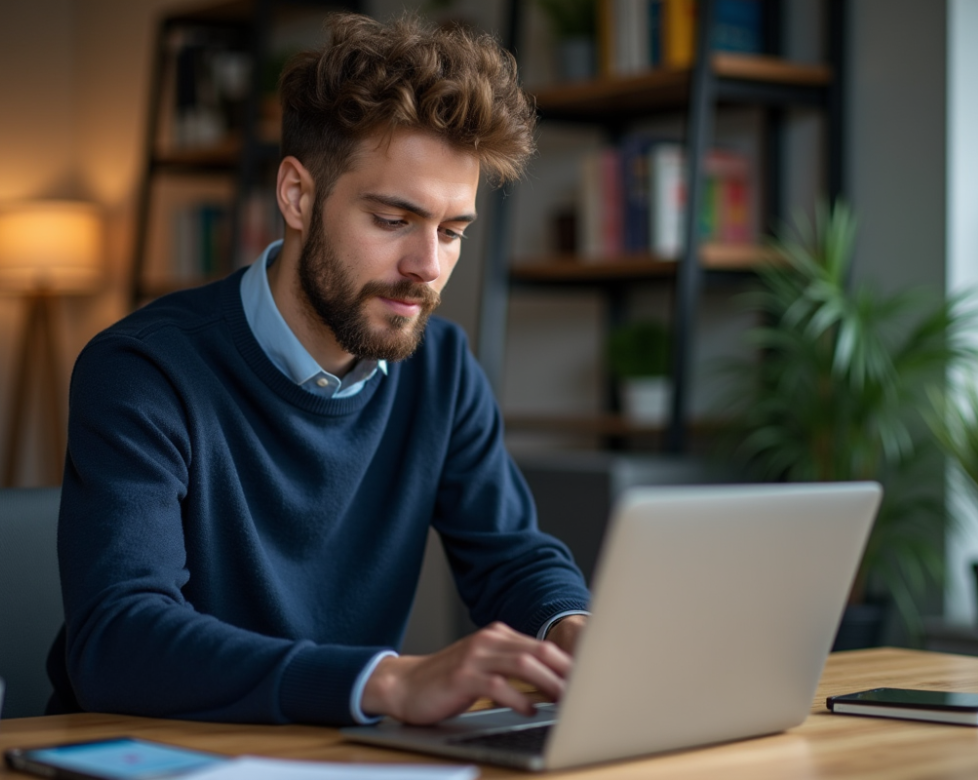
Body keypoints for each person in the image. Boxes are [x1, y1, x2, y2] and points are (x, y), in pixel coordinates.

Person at [46, 12, 591, 727]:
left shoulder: (443, 368)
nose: (427, 266)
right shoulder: (144, 371)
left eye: (452, 231)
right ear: (297, 196)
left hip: (341, 755)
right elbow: (117, 639)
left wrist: (570, 632)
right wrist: (389, 682)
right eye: (394, 220)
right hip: (158, 756)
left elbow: (511, 557)